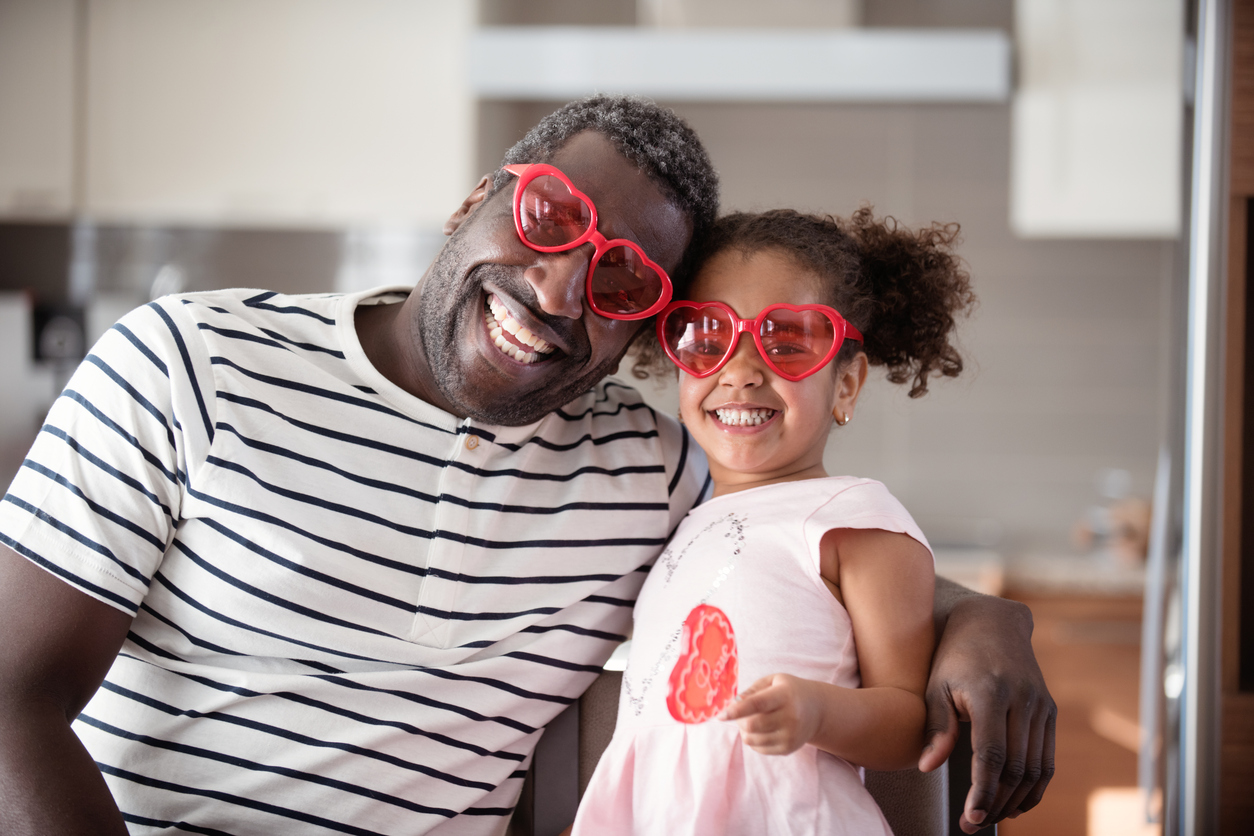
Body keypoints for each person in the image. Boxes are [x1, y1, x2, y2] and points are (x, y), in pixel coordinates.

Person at [0, 96, 1052, 836]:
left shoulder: (645, 468)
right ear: (476, 199)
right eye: (551, 217)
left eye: (624, 279)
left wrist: (990, 620)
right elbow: (11, 694)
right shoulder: (188, 358)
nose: (559, 290)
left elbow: (810, 547)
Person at [572, 207, 981, 835]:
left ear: (846, 385)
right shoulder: (683, 519)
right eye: (706, 340)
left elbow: (908, 722)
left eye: (788, 343)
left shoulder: (854, 522)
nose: (739, 370)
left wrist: (817, 712)